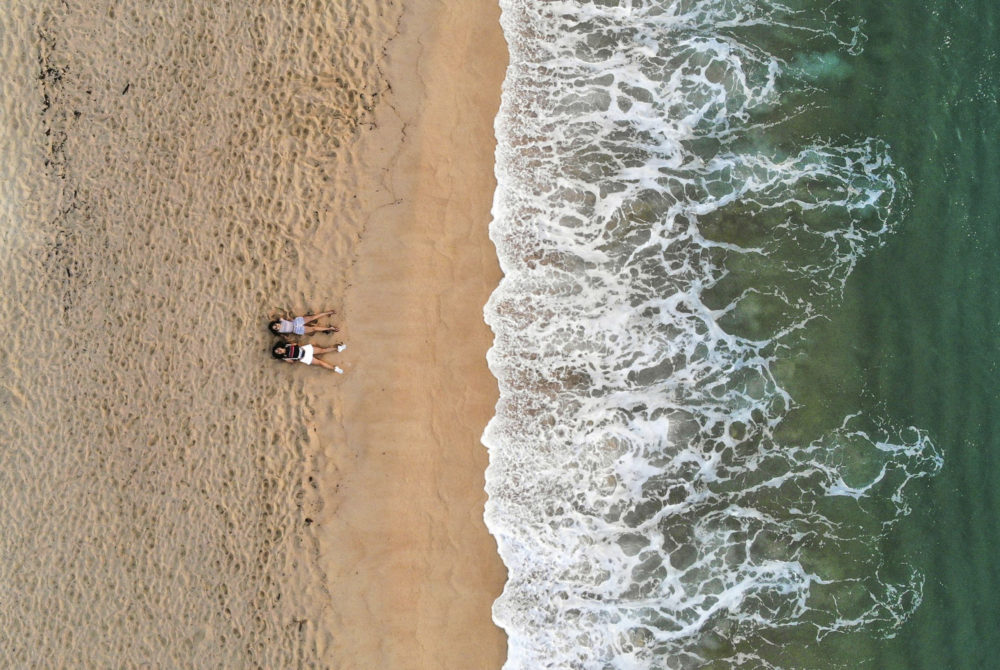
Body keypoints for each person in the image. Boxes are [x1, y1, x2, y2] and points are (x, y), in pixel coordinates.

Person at [272, 341, 345, 373]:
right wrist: (284, 358)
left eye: (277, 349)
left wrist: (298, 346)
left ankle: (338, 348)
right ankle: (335, 368)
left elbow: (296, 344)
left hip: (306, 349)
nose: (279, 351)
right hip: (304, 358)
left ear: (279, 347)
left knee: (323, 350)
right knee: (320, 363)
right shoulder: (285, 356)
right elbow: (292, 362)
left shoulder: (287, 345)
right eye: (278, 352)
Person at [268, 310, 338, 336]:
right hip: (296, 330)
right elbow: (288, 334)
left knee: (312, 317)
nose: (277, 326)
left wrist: (290, 319)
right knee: (314, 329)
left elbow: (275, 313)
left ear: (275, 323)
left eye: (275, 325)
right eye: (276, 328)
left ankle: (328, 312)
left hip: (295, 322)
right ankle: (330, 328)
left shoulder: (281, 320)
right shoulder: (280, 332)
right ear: (276, 330)